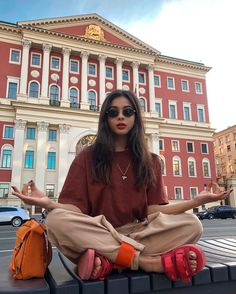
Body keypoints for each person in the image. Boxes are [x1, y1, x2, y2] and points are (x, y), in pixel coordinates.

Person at [12, 90, 232, 282]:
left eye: (127, 112)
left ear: (136, 117)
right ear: (105, 118)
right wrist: (49, 204)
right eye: (113, 112)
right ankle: (143, 261)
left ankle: (110, 260)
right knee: (56, 221)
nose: (120, 116)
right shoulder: (87, 157)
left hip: (133, 233)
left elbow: (154, 211)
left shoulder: (151, 161)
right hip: (97, 230)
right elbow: (75, 210)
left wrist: (196, 201)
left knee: (192, 224)